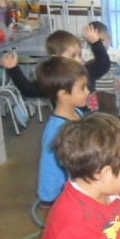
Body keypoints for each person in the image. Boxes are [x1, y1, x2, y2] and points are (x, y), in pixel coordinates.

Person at [0, 24, 110, 112]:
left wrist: (96, 43)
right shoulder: (54, 80)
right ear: (56, 58)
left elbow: (104, 64)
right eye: (73, 55)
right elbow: (28, 90)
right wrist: (13, 69)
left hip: (92, 123)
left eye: (79, 55)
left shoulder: (85, 71)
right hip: (68, 127)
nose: (79, 60)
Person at [35, 57, 88, 207]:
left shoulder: (77, 112)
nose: (88, 92)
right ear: (64, 94)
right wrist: (48, 197)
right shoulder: (57, 129)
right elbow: (48, 166)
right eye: (82, 88)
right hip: (61, 190)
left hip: (77, 176)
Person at [83, 21, 120, 116]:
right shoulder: (84, 53)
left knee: (109, 119)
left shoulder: (114, 53)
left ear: (109, 38)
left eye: (101, 40)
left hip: (107, 93)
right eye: (92, 41)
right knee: (90, 119)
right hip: (89, 94)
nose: (97, 44)